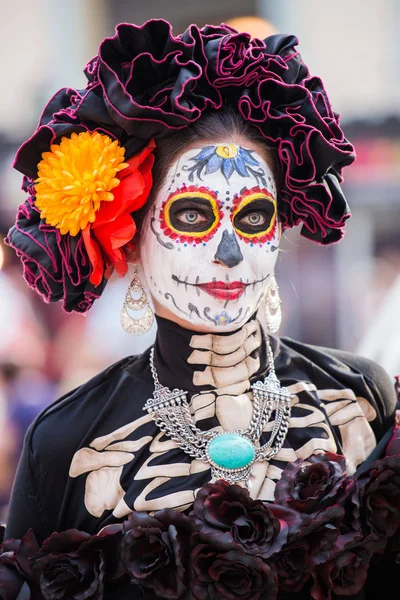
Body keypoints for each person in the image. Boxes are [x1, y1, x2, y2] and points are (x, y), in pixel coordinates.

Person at [2, 19, 399, 600]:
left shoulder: (359, 398)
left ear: (279, 231)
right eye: (192, 216)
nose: (230, 253)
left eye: (253, 217)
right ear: (130, 235)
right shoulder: (67, 438)